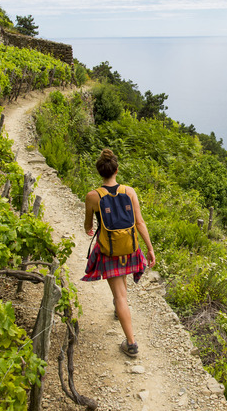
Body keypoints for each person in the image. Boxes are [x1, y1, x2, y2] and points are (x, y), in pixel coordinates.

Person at [82, 149, 155, 358]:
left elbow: (88, 225)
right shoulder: (129, 192)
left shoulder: (92, 196)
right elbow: (139, 222)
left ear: (100, 172)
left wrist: (89, 228)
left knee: (120, 295)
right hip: (130, 248)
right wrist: (149, 249)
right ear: (117, 169)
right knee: (121, 292)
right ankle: (118, 309)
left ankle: (131, 344)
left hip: (109, 251)